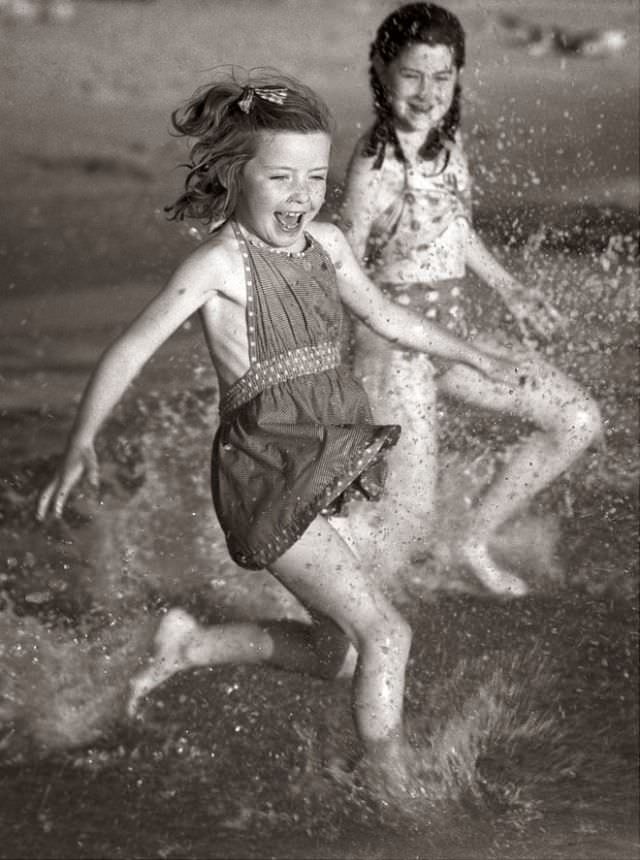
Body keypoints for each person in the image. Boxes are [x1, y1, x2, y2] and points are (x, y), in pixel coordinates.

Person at [36, 70, 522, 790]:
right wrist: (82, 442)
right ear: (236, 177)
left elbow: (385, 316)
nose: (302, 195)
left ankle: (194, 644)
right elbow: (133, 348)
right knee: (388, 633)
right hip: (266, 473)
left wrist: (469, 350)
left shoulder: (326, 242)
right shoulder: (218, 264)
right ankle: (393, 791)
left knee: (350, 652)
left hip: (321, 459)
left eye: (316, 177)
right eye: (282, 178)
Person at [340, 2, 602, 596]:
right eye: (412, 74)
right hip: (394, 353)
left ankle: (471, 540)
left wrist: (510, 287)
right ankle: (334, 606)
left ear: (458, 75)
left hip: (452, 341)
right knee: (404, 531)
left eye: (442, 76)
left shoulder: (448, 146)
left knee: (576, 418)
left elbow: (453, 228)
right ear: (381, 71)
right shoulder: (372, 165)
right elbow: (343, 265)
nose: (428, 93)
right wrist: (354, 369)